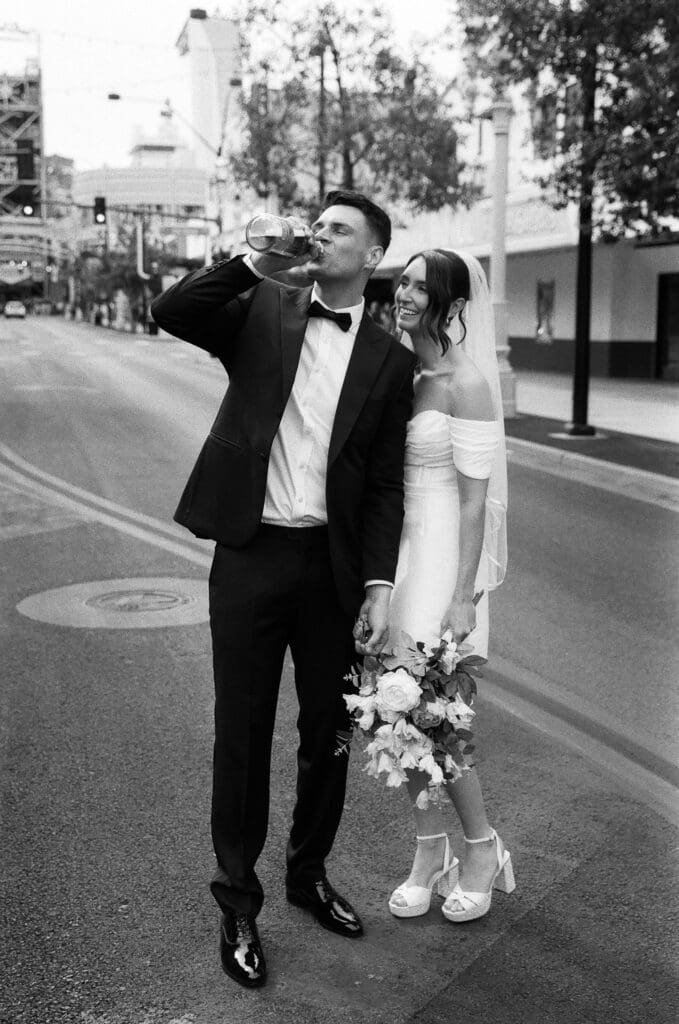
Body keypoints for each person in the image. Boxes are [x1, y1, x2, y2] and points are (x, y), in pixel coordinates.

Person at [151, 191, 416, 989]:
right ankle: (238, 901)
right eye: (318, 225)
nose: (320, 234)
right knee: (241, 732)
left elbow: (380, 485)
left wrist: (376, 583)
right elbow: (172, 308)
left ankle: (308, 874)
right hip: (252, 555)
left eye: (339, 229)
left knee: (327, 733)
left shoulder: (389, 358)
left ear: (372, 256)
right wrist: (255, 255)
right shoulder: (262, 308)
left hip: (331, 570)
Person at [385, 248, 515, 924]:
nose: (404, 293)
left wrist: (463, 593)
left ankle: (480, 847)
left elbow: (474, 502)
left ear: (454, 305)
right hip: (396, 563)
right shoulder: (396, 370)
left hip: (443, 565)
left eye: (420, 286)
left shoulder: (467, 382)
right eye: (401, 281)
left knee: (437, 722)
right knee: (392, 715)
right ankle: (427, 851)